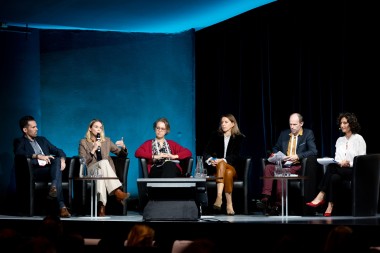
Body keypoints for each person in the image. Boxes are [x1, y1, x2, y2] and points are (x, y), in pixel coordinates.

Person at [306, 112, 366, 217]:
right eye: (341, 123)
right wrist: (340, 162)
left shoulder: (359, 139)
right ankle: (330, 205)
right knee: (334, 177)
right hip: (340, 169)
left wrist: (349, 163)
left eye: (344, 123)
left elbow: (362, 159)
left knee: (331, 167)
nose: (342, 125)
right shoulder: (339, 140)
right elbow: (337, 158)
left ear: (351, 124)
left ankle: (321, 194)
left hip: (354, 170)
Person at [257, 113, 318, 215]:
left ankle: (279, 204)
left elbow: (313, 151)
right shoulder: (284, 134)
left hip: (297, 166)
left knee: (282, 172)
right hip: (285, 163)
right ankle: (266, 198)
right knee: (268, 167)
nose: (292, 127)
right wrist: (278, 155)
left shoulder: (308, 134)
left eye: (295, 124)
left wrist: (297, 156)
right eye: (291, 124)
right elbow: (276, 147)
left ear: (301, 123)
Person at [13, 115, 71, 218]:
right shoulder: (20, 141)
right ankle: (62, 206)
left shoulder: (42, 140)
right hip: (35, 172)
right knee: (57, 172)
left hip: (50, 170)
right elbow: (19, 153)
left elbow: (58, 150)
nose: (37, 129)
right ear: (25, 129)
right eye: (33, 127)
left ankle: (54, 188)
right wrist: (37, 156)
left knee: (56, 160)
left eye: (36, 126)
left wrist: (62, 160)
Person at [78, 118, 130, 217]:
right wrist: (93, 149)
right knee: (103, 163)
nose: (98, 129)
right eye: (96, 127)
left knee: (101, 173)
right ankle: (117, 191)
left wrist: (123, 147)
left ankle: (102, 208)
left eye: (100, 128)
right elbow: (83, 161)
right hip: (91, 170)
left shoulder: (106, 141)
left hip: (103, 172)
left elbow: (121, 155)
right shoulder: (83, 142)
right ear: (90, 128)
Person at [203, 113, 245, 216]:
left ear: (232, 124)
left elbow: (238, 156)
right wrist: (210, 160)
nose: (223, 124)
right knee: (228, 172)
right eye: (222, 122)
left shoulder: (239, 138)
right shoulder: (215, 136)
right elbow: (206, 152)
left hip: (234, 168)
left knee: (225, 166)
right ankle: (229, 204)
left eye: (226, 122)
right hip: (218, 170)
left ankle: (219, 197)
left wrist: (223, 160)